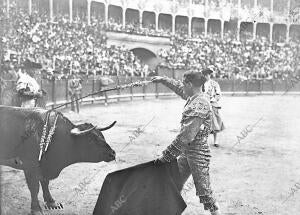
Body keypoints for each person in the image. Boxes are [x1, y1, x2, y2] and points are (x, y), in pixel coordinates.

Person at [152, 70, 221, 215]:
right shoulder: (195, 97)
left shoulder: (199, 104)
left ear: (190, 84)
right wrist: (163, 79)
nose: (182, 86)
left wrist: (166, 157)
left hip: (198, 153)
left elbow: (185, 138)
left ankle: (216, 213)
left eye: (184, 83)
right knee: (175, 183)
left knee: (204, 191)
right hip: (188, 152)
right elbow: (179, 88)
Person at [202, 68, 225, 147]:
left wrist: (213, 99)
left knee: (215, 123)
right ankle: (204, 141)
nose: (206, 76)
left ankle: (216, 141)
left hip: (212, 104)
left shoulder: (214, 84)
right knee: (204, 124)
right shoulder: (201, 84)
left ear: (209, 75)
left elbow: (218, 94)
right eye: (204, 75)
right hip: (203, 105)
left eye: (207, 75)